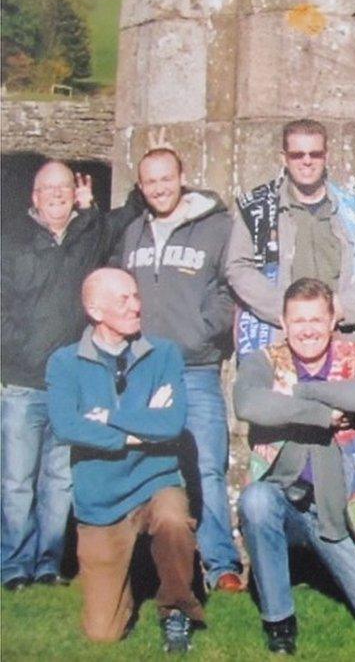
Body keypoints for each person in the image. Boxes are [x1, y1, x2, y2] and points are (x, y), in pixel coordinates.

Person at [1, 161, 142, 592]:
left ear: (76, 192)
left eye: (65, 187)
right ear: (35, 197)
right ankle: (13, 566)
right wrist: (16, 348)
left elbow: (132, 210)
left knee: (60, 480)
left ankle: (48, 563)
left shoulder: (88, 233)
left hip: (70, 385)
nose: (58, 194)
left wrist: (94, 208)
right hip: (21, 382)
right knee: (17, 480)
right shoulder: (13, 242)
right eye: (49, 188)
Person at [46, 268, 204, 652]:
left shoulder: (163, 353)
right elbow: (66, 425)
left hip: (155, 481)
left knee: (173, 519)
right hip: (101, 499)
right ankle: (125, 589)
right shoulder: (64, 363)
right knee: (103, 633)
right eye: (124, 299)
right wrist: (137, 431)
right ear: (95, 310)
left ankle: (176, 610)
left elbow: (170, 424)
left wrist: (107, 417)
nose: (137, 306)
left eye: (136, 296)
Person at [234, 277, 355, 654]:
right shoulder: (266, 361)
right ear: (284, 324)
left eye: (316, 320)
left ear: (332, 321)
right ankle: (279, 622)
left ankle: (323, 558)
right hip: (282, 500)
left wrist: (305, 391)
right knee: (256, 502)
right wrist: (321, 413)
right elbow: (249, 403)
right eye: (299, 321)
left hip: (336, 511)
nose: (308, 330)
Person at [116, 147, 243, 593]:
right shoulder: (133, 232)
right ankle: (140, 562)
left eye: (166, 179)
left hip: (195, 367)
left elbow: (231, 286)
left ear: (182, 176)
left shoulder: (218, 227)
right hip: (143, 368)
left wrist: (204, 333)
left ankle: (220, 562)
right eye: (150, 182)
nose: (159, 189)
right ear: (141, 186)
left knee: (206, 463)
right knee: (142, 463)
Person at [226, 119, 355, 356]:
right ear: (284, 157)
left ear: (326, 156)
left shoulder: (354, 211)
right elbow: (238, 268)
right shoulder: (257, 209)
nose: (306, 161)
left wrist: (342, 308)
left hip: (342, 337)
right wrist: (290, 312)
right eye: (297, 154)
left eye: (314, 154)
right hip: (279, 339)